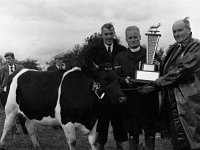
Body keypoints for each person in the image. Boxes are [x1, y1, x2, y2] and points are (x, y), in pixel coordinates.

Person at [148, 17, 200, 150]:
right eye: (174, 31)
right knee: (177, 139)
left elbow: (183, 70)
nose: (177, 34)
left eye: (180, 30)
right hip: (172, 103)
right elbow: (169, 69)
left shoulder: (196, 46)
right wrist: (159, 67)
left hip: (190, 102)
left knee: (193, 138)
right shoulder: (175, 48)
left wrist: (160, 81)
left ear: (189, 30)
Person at [114, 26, 159, 150]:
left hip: (149, 100)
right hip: (130, 101)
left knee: (150, 133)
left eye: (135, 37)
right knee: (133, 133)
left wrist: (158, 67)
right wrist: (125, 80)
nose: (133, 40)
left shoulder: (151, 53)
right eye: (130, 37)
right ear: (126, 39)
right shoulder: (119, 57)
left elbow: (160, 75)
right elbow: (117, 78)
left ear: (140, 37)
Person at [85, 23, 127, 150]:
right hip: (100, 98)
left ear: (114, 34)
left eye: (111, 34)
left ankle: (119, 145)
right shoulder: (92, 52)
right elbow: (89, 74)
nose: (109, 37)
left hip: (117, 94)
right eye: (106, 34)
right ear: (101, 35)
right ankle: (101, 145)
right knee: (101, 123)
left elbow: (125, 72)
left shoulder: (122, 50)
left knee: (119, 122)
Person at [0, 52, 25, 134]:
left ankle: (25, 128)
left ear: (13, 59)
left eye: (9, 58)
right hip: (6, 92)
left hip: (18, 92)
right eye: (6, 59)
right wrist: (1, 90)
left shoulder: (20, 67)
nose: (7, 60)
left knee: (21, 110)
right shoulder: (2, 68)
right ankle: (14, 129)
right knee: (9, 111)